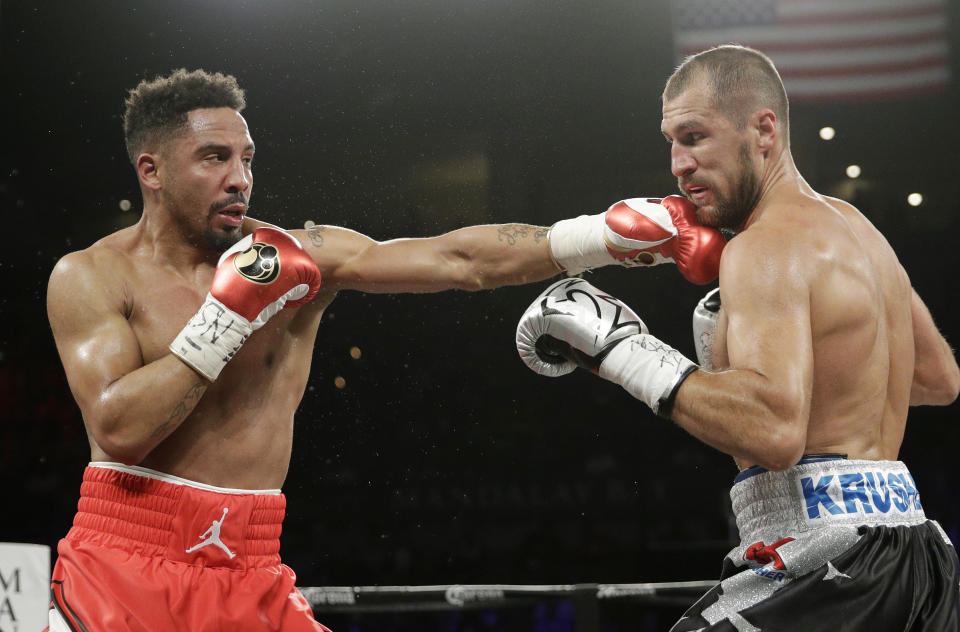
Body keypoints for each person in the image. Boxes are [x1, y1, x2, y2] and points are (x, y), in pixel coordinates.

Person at [44, 68, 725, 631]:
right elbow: (119, 429)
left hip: (249, 561)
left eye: (246, 158)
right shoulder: (93, 277)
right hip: (125, 561)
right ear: (152, 170)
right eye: (214, 158)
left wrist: (599, 237)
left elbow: (458, 260)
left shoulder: (301, 254)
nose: (240, 178)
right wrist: (226, 318)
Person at [516, 45, 960, 631]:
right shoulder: (860, 231)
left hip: (828, 561)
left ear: (764, 130)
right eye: (671, 141)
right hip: (920, 558)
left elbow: (773, 434)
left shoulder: (762, 246)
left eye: (695, 136)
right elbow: (936, 380)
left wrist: (621, 349)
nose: (678, 163)